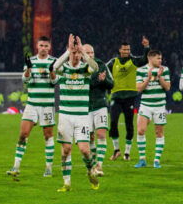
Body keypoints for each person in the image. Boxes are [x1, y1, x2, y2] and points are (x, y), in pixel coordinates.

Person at [52, 34, 100, 191]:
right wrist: (68, 51)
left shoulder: (84, 69)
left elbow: (96, 68)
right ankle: (67, 183)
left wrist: (83, 51)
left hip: (82, 117)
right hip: (65, 116)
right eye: (74, 53)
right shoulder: (63, 69)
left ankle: (89, 170)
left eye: (78, 53)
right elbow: (53, 68)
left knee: (85, 150)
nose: (76, 56)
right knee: (66, 150)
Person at [7, 36, 57, 177]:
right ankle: (16, 167)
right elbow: (25, 80)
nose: (43, 48)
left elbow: (55, 82)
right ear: (37, 46)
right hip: (32, 104)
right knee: (23, 134)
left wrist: (52, 71)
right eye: (41, 45)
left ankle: (48, 168)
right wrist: (28, 69)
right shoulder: (31, 61)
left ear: (49, 47)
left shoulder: (54, 61)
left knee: (48, 136)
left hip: (47, 105)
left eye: (46, 46)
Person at [106, 37, 150, 161]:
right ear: (120, 50)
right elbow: (103, 71)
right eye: (125, 50)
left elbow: (144, 60)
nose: (127, 52)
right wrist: (108, 83)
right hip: (116, 96)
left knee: (129, 124)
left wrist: (146, 47)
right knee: (113, 122)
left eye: (128, 49)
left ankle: (127, 152)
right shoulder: (113, 62)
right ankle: (116, 150)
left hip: (130, 97)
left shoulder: (134, 61)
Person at [134, 50, 171, 168]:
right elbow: (139, 88)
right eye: (158, 58)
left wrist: (159, 77)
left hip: (160, 106)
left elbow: (168, 87)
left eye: (161, 58)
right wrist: (148, 78)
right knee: (140, 130)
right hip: (145, 105)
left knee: (159, 132)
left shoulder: (164, 70)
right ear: (150, 58)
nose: (160, 60)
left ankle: (156, 161)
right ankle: (142, 159)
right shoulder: (141, 70)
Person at [83, 44, 113, 177]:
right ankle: (94, 163)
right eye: (87, 53)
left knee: (101, 134)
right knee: (90, 137)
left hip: (100, 104)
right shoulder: (78, 67)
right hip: (85, 107)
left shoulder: (101, 64)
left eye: (92, 52)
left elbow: (111, 84)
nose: (90, 55)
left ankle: (99, 164)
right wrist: (97, 80)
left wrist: (104, 80)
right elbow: (84, 86)